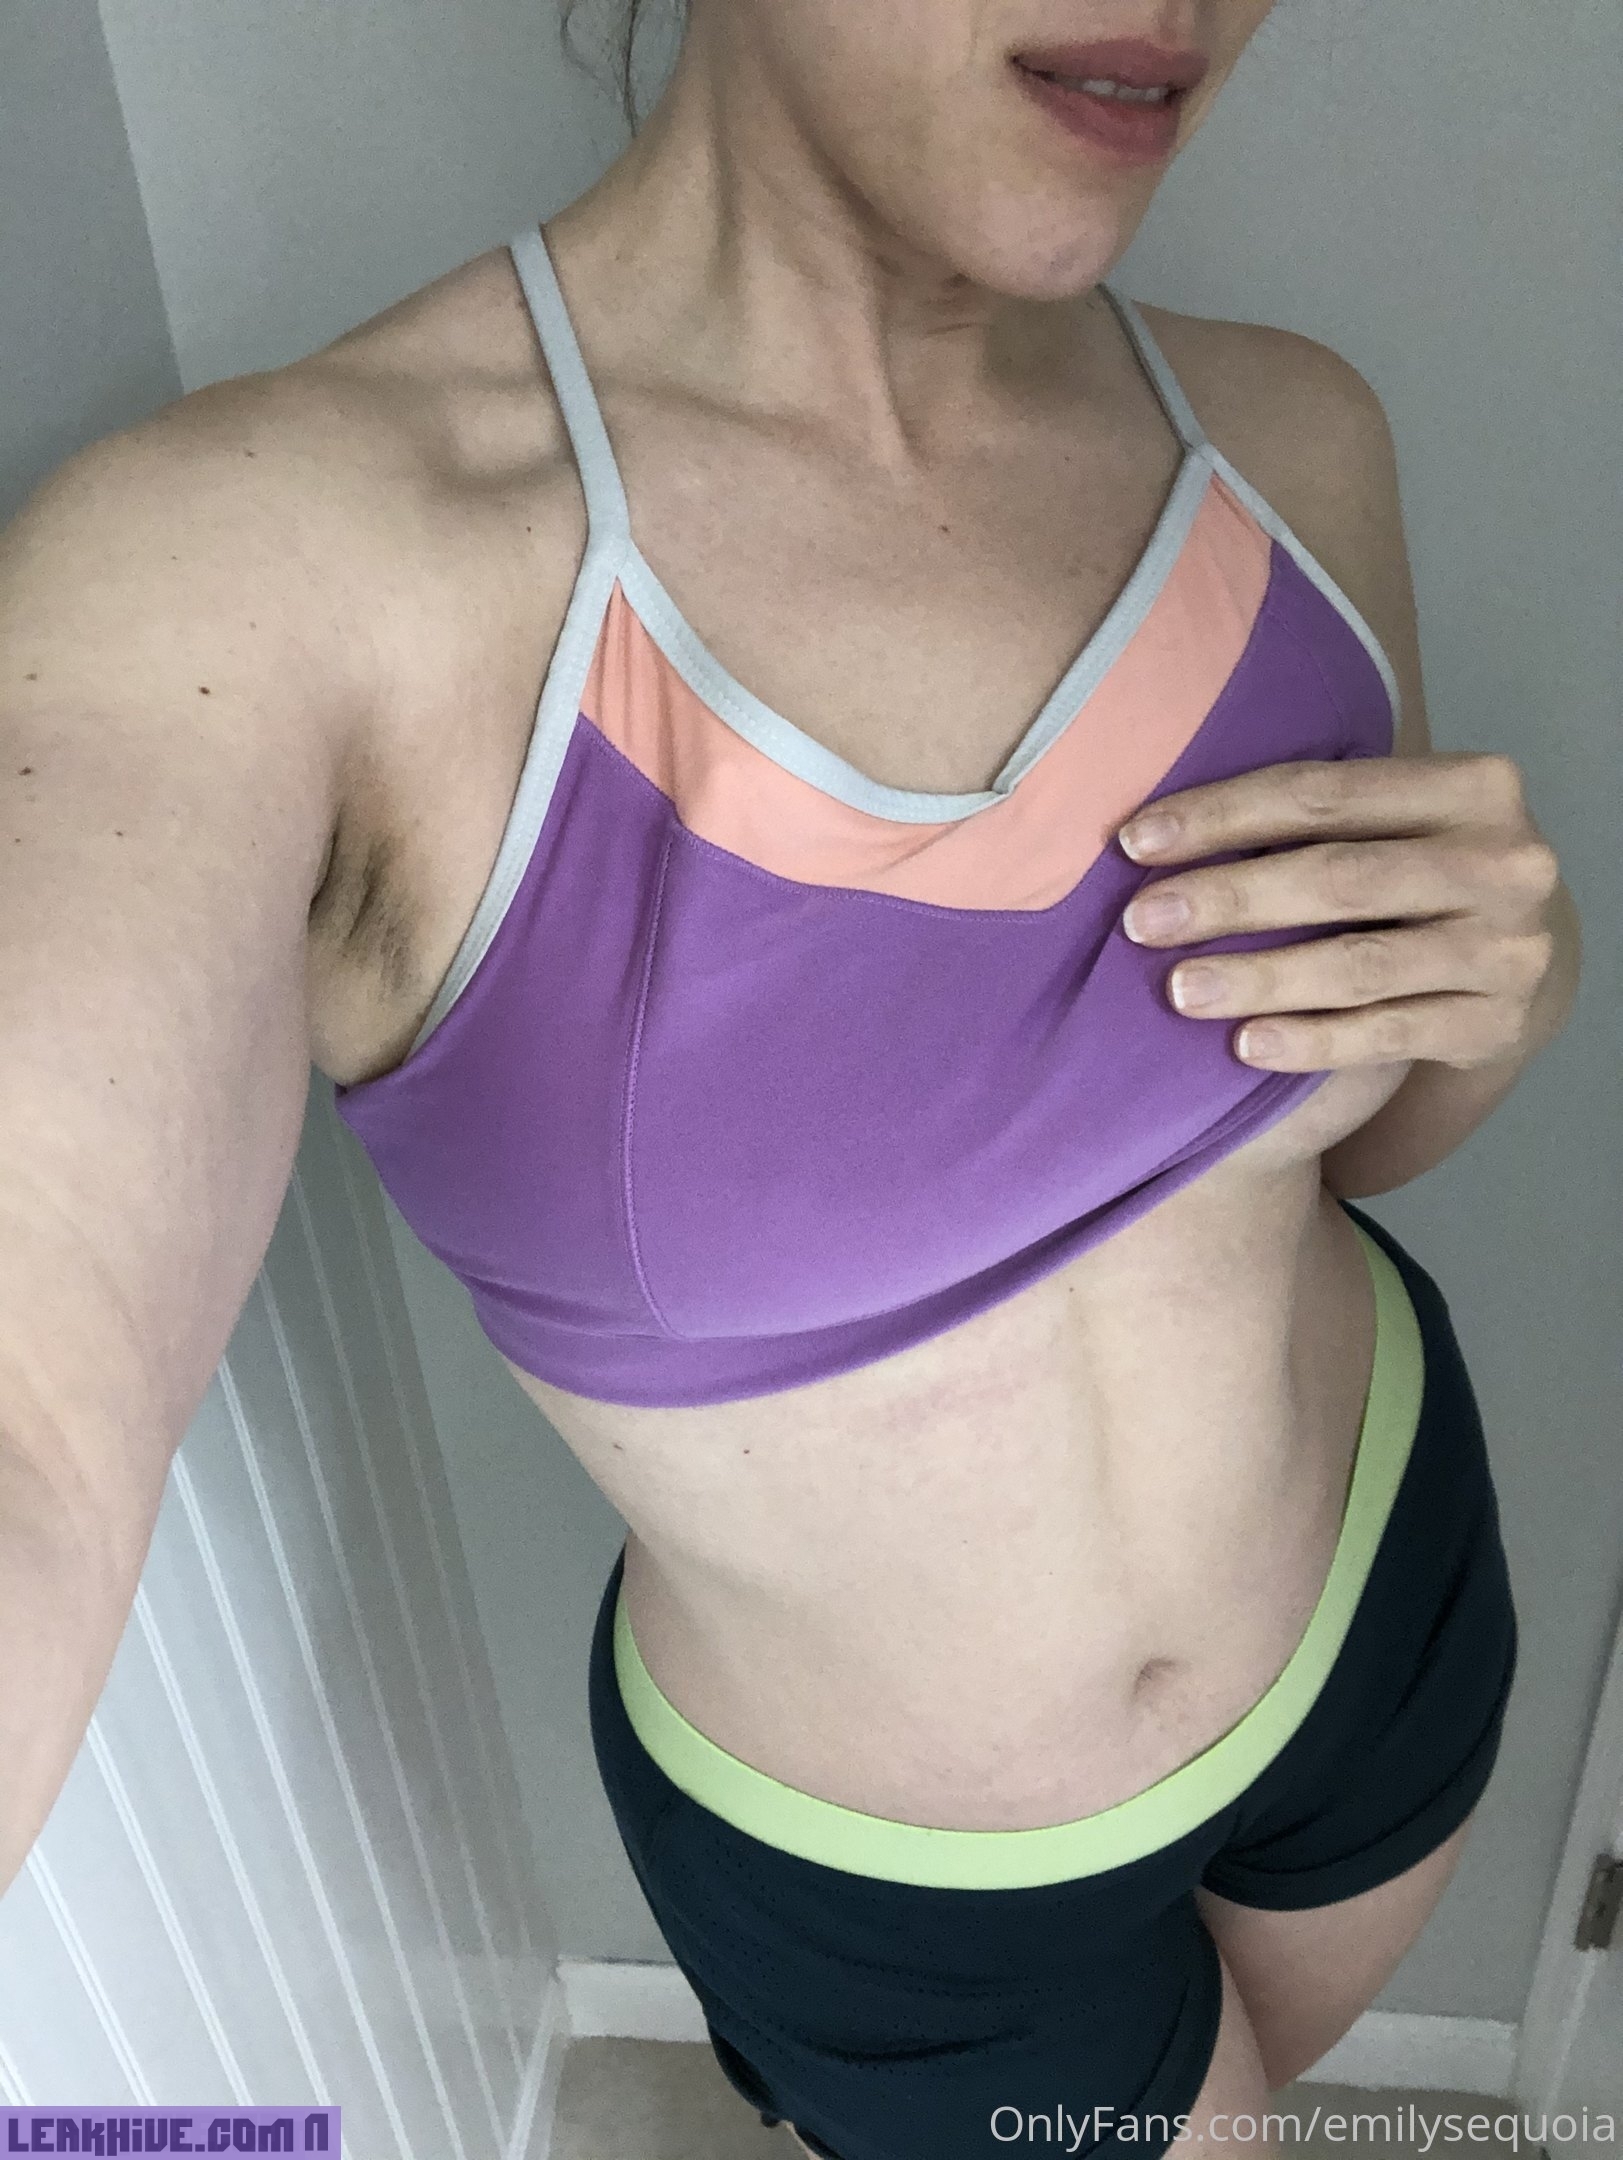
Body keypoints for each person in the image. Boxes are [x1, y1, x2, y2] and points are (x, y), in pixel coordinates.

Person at [0, 1, 1582, 2155]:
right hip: (911, 1896)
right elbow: (34, 1422)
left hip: (1390, 1603)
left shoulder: (1293, 440)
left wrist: (1499, 1006)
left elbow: (1348, 1145)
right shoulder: (260, 572)